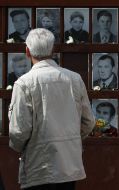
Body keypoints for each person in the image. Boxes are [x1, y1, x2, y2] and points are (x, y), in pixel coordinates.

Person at [8, 28, 95, 190]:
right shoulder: (74, 79)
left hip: (39, 166)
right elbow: (88, 122)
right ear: (52, 50)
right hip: (69, 166)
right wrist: (71, 141)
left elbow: (19, 131)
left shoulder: (24, 83)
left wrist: (19, 147)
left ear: (27, 51)